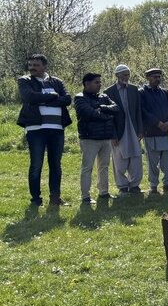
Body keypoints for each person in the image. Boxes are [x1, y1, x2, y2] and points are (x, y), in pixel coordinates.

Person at [17, 54, 72, 207]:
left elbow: (67, 99)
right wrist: (53, 97)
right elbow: (29, 97)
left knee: (56, 164)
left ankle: (55, 198)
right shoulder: (25, 80)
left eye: (36, 65)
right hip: (36, 128)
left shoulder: (57, 82)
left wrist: (44, 99)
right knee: (36, 165)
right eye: (30, 65)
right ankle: (36, 200)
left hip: (56, 128)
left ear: (45, 66)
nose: (32, 68)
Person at [74, 73, 120, 204]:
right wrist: (108, 116)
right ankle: (85, 196)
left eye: (100, 82)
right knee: (87, 167)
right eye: (96, 82)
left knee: (104, 166)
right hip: (90, 139)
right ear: (87, 84)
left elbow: (116, 109)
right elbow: (89, 114)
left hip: (106, 138)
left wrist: (102, 108)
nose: (99, 84)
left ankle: (104, 192)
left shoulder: (104, 97)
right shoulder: (79, 98)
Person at [104, 64, 144, 195]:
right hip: (118, 130)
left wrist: (140, 129)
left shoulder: (134, 90)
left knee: (136, 156)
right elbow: (108, 117)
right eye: (124, 75)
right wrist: (113, 135)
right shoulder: (108, 92)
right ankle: (122, 186)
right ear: (117, 76)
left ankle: (135, 185)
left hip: (133, 128)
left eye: (128, 75)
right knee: (119, 158)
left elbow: (138, 110)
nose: (126, 77)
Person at [139, 68, 168, 194]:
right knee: (153, 163)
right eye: (155, 77)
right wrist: (158, 123)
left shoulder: (164, 92)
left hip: (166, 132)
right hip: (151, 132)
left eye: (159, 76)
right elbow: (143, 111)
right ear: (148, 78)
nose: (157, 79)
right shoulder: (142, 93)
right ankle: (153, 186)